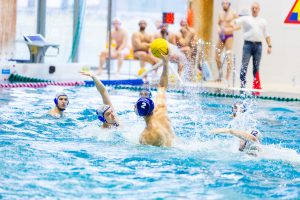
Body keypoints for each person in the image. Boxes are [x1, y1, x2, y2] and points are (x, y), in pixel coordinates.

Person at [134, 55, 175, 147]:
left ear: (138, 112)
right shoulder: (161, 109)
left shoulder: (145, 136)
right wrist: (165, 63)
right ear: (153, 107)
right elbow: (162, 85)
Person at [235, 2, 272, 89]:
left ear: (259, 9)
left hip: (258, 46)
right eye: (253, 8)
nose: (254, 10)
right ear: (251, 9)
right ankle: (242, 84)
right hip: (247, 45)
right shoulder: (246, 19)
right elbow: (235, 21)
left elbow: (267, 35)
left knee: (256, 66)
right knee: (244, 65)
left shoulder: (263, 21)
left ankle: (256, 85)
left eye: (256, 8)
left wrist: (270, 46)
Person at [215, 0, 238, 83]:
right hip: (221, 36)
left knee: (228, 56)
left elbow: (239, 26)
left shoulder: (233, 13)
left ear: (229, 4)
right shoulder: (220, 13)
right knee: (216, 56)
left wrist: (230, 28)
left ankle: (227, 78)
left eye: (226, 3)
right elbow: (218, 23)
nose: (224, 5)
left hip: (229, 36)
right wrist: (218, 29)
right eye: (223, 3)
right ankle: (220, 75)